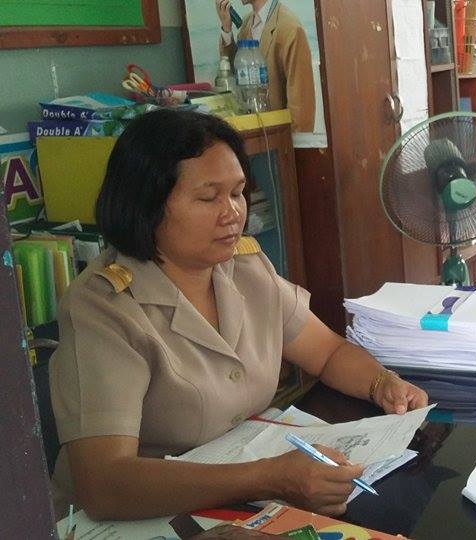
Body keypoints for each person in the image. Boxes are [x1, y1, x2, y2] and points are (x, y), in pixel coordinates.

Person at [49, 109, 428, 521]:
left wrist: (381, 383)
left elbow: (329, 353)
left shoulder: (245, 268)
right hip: (144, 518)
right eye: (208, 197)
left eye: (237, 192)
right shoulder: (102, 307)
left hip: (233, 498)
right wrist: (267, 478)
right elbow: (105, 484)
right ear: (147, 204)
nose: (233, 212)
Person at [215, 0, 316, 133]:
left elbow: (301, 102)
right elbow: (235, 72)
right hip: (254, 132)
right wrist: (226, 29)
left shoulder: (289, 28)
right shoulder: (246, 24)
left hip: (279, 135)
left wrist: (297, 144)